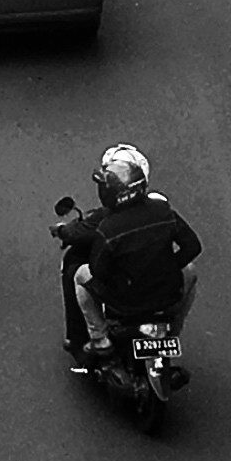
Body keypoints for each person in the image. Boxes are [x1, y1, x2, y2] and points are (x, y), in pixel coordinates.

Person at [57, 143, 201, 365]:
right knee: (190, 271)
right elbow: (193, 247)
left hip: (125, 302)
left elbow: (99, 271)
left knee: (80, 276)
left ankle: (99, 338)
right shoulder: (163, 211)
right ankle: (173, 332)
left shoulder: (108, 228)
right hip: (167, 292)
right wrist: (168, 268)